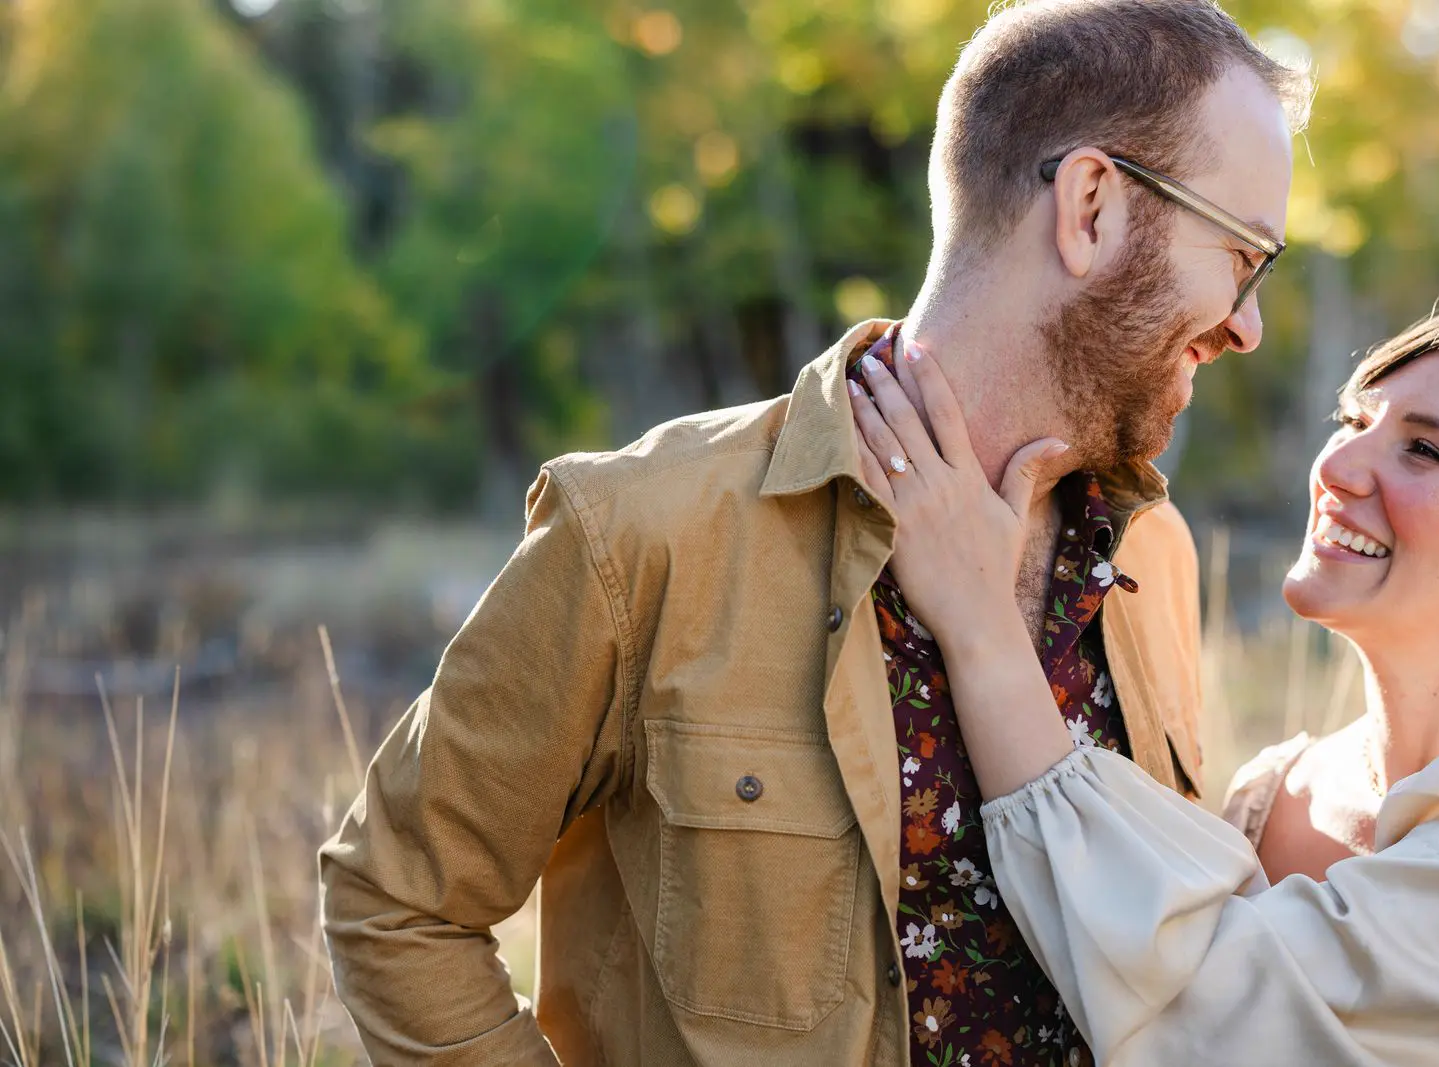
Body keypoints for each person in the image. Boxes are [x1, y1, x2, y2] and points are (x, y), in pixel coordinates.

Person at [318, 2, 1310, 1063]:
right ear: (1092, 207)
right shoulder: (643, 532)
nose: (1246, 322)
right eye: (1242, 251)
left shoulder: (1151, 557)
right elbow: (397, 900)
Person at [846, 303, 1439, 1066]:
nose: (1336, 466)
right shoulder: (1276, 791)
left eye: (1427, 452)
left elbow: (1216, 1015)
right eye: (1352, 420)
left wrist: (981, 621)